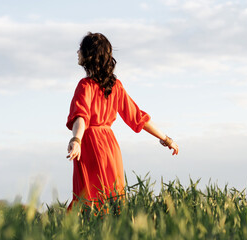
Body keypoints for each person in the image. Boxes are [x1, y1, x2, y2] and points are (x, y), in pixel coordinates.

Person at [66, 32, 179, 209]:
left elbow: (81, 116)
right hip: (110, 147)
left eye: (80, 49)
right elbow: (138, 117)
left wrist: (77, 140)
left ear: (89, 55)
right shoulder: (115, 86)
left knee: (88, 201)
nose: (77, 52)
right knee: (113, 201)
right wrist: (166, 139)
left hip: (89, 146)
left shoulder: (85, 85)